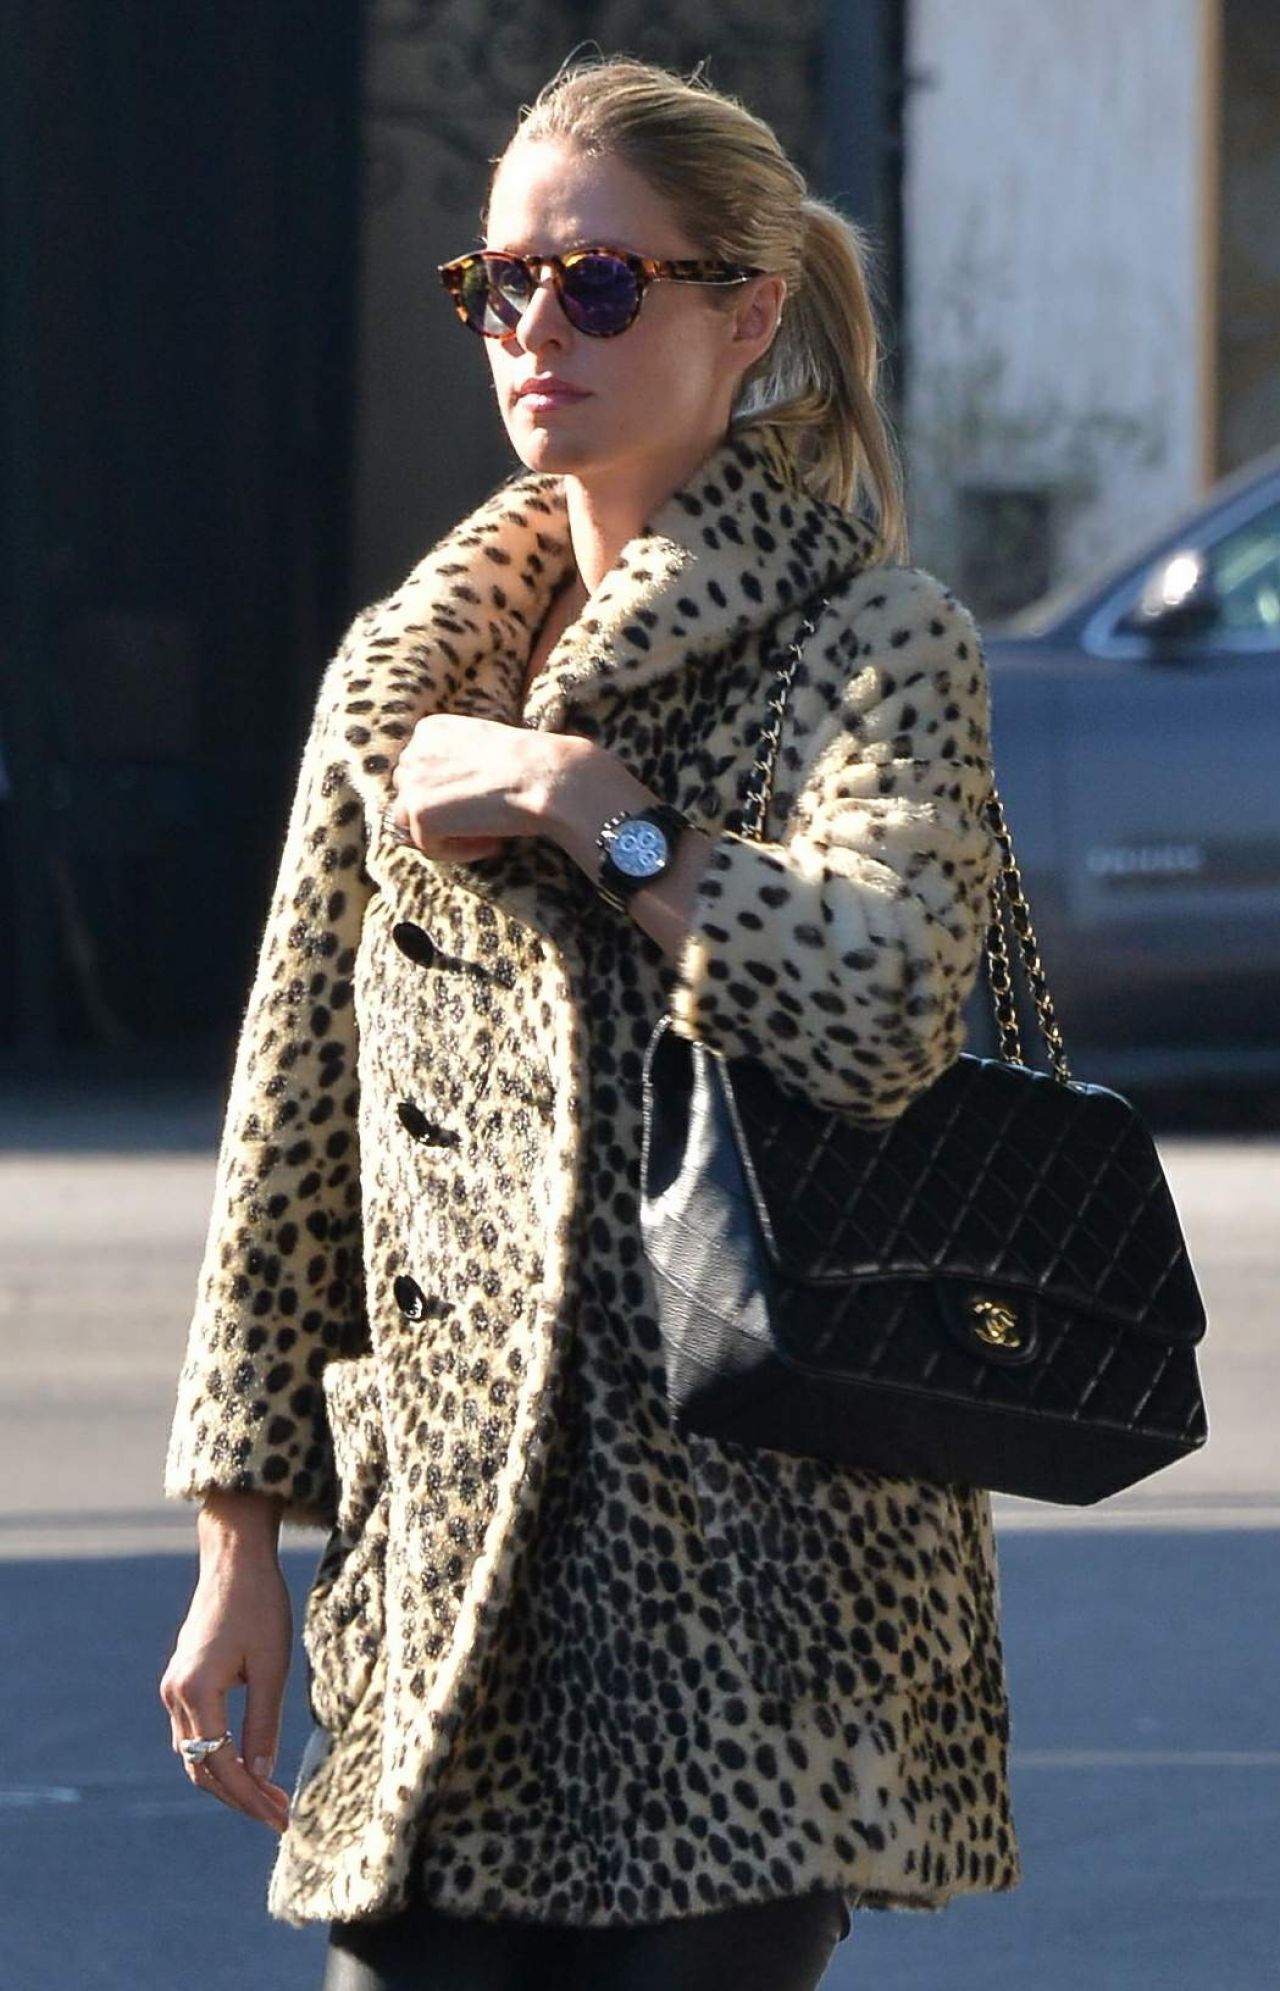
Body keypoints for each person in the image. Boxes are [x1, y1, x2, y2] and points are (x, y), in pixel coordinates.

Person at [160, 53, 1018, 1991]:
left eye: (602, 283)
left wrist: (588, 807)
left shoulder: (872, 642)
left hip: (762, 1595)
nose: (537, 329)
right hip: (445, 1574)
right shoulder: (401, 682)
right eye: (500, 284)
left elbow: (882, 1005)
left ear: (747, 313)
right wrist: (237, 1542)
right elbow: (292, 1129)